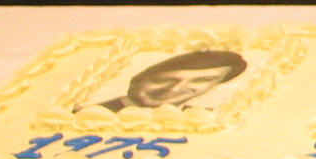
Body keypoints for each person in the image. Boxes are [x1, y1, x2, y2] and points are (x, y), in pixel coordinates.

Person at [96, 49, 246, 111]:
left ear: (214, 86)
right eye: (162, 80)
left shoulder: (214, 118)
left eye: (200, 80)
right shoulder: (88, 114)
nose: (174, 89)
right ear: (137, 80)